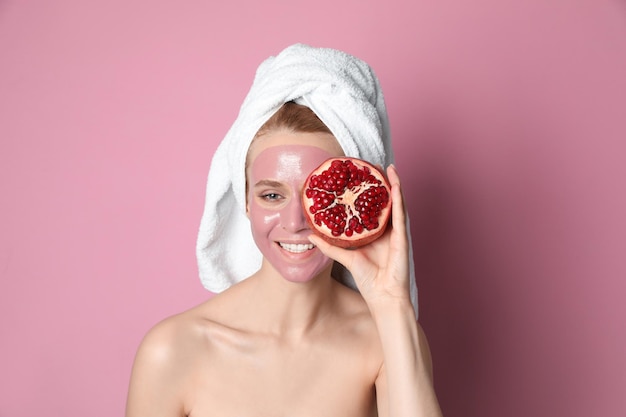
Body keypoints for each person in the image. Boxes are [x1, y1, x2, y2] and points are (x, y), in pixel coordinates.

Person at [126, 45, 443, 417]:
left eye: (319, 196)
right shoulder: (173, 350)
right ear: (245, 200)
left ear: (351, 202)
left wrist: (391, 304)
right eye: (272, 194)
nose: (295, 222)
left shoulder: (388, 340)